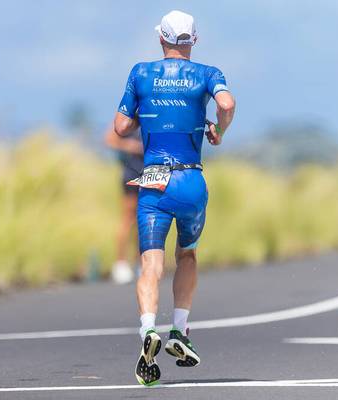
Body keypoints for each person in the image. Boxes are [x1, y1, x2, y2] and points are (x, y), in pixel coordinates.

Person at [114, 10, 235, 386]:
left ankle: (148, 329)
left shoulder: (140, 72)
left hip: (152, 179)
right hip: (189, 179)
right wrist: (219, 130)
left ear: (160, 39)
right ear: (193, 41)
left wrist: (142, 118)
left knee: (150, 261)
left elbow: (120, 127)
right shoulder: (208, 73)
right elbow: (227, 104)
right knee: (187, 254)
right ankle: (179, 331)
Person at [104, 126, 144, 284]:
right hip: (132, 172)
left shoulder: (157, 109)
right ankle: (120, 263)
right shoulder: (131, 114)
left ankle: (141, 262)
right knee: (128, 218)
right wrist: (132, 146)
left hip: (152, 172)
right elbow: (110, 139)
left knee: (146, 220)